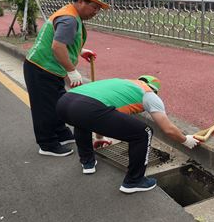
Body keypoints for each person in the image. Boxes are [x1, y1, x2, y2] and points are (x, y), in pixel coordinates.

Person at [56, 75, 201, 193]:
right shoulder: (149, 94)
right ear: (154, 89)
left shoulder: (122, 83)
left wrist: (100, 136)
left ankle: (87, 162)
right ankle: (134, 181)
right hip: (88, 108)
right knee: (144, 133)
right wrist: (185, 140)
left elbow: (98, 111)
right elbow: (168, 129)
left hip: (65, 102)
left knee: (81, 122)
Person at [23, 0, 109, 157]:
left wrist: (80, 51)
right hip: (41, 68)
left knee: (58, 103)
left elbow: (63, 40)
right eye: (94, 7)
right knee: (45, 108)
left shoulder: (71, 15)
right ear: (81, 1)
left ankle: (61, 133)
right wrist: (72, 70)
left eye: (99, 8)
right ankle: (47, 143)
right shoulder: (69, 19)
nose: (96, 12)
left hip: (50, 69)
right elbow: (58, 46)